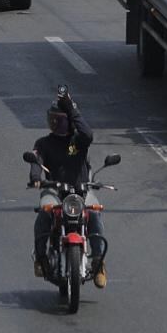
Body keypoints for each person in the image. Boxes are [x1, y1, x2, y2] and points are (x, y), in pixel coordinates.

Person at [28, 89, 106, 287]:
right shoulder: (44, 143)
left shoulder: (76, 143)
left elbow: (87, 134)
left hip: (81, 191)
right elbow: (36, 160)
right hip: (54, 191)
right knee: (44, 213)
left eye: (61, 120)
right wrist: (36, 177)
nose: (56, 124)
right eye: (53, 119)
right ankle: (40, 258)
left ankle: (98, 262)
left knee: (95, 214)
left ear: (70, 121)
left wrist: (71, 109)